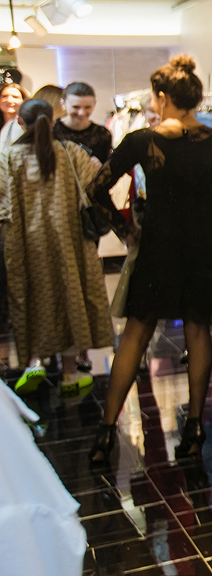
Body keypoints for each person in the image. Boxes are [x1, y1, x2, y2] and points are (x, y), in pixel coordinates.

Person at [87, 56, 212, 466]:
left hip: (160, 244)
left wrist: (125, 230)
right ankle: (194, 428)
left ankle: (105, 433)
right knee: (198, 329)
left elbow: (96, 188)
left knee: (136, 332)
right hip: (204, 246)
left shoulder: (141, 140)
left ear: (161, 97)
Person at [0, 100, 113, 395]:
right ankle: (70, 374)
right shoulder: (70, 152)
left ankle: (35, 361)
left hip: (24, 243)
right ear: (53, 122)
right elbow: (93, 186)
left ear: (20, 123)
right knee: (69, 298)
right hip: (69, 241)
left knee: (31, 296)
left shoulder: (8, 156)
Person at [54, 82, 113, 165]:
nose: (81, 113)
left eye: (87, 107)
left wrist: (100, 167)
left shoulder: (102, 134)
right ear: (63, 104)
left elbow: (107, 167)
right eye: (76, 107)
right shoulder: (50, 131)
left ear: (94, 104)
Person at [0, 82, 30, 149]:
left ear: (24, 101)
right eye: (4, 96)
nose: (9, 100)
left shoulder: (29, 126)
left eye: (15, 97)